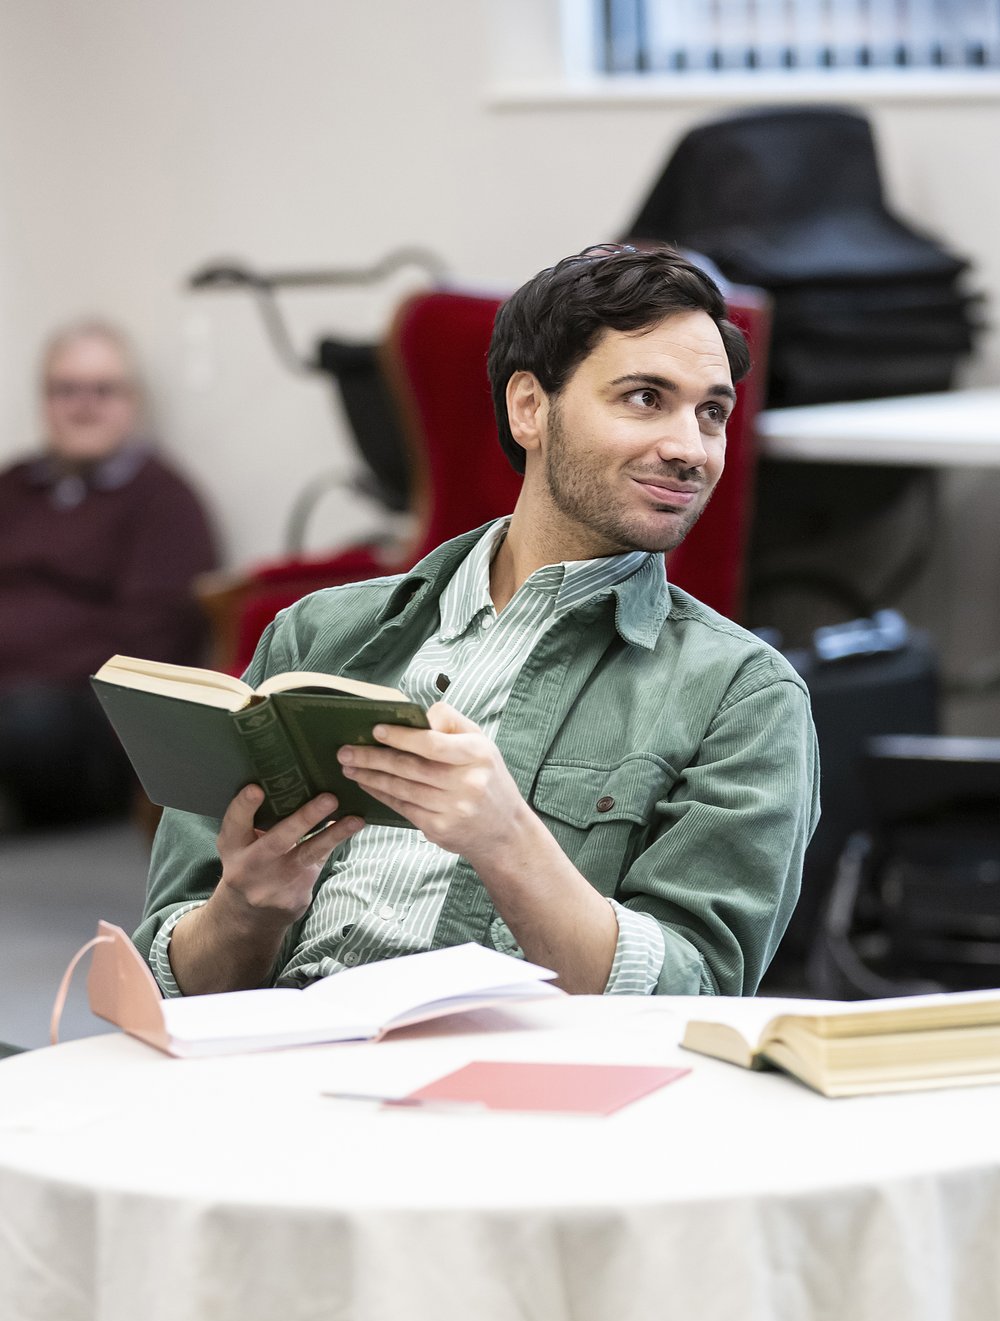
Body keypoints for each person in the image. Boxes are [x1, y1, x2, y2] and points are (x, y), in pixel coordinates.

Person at [135, 244, 819, 998]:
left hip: (506, 1090)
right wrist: (247, 909)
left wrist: (508, 843)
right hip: (272, 1066)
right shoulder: (315, 636)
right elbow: (171, 986)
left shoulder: (745, 698)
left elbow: (696, 999)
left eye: (712, 413)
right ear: (530, 408)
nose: (689, 448)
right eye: (645, 398)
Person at [0, 320, 217, 829]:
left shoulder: (164, 499)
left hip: (88, 709)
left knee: (32, 719)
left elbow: (153, 639)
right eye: (66, 390)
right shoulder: (12, 486)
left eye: (103, 390)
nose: (84, 405)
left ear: (132, 402)